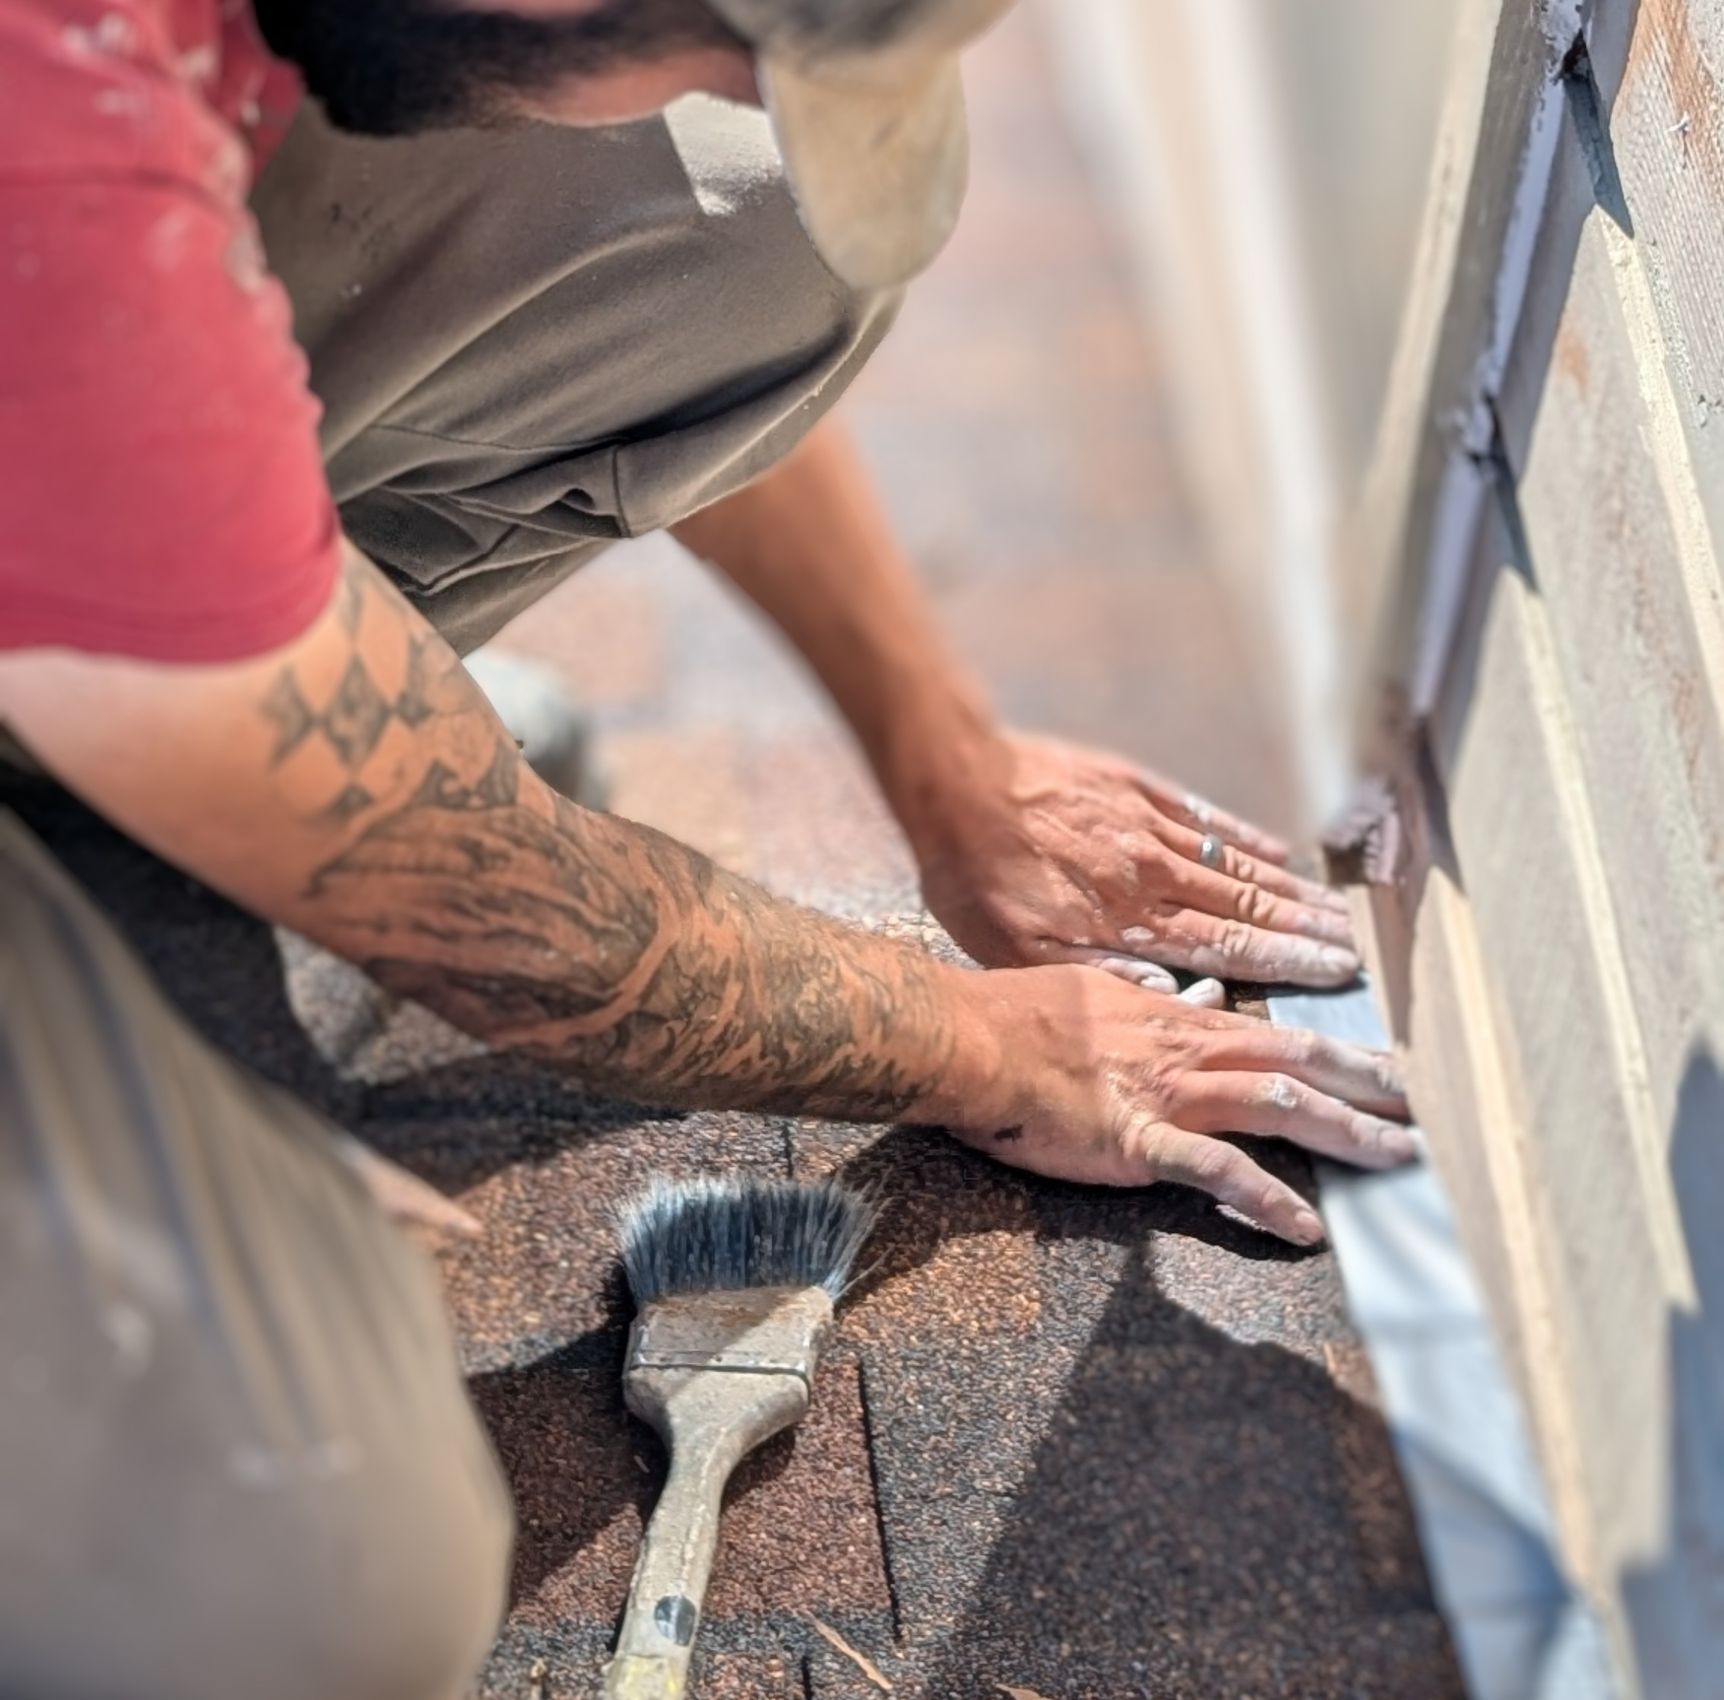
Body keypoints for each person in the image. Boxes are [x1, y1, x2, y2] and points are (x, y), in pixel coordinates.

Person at [0, 2, 1413, 1694]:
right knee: (313, 1599)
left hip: (78, 386)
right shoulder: (54, 161)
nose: (729, 94)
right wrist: (985, 1047)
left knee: (740, 218)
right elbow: (503, 914)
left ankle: (173, 689)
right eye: (730, 47)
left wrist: (939, 749)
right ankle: (170, 769)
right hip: (64, 339)